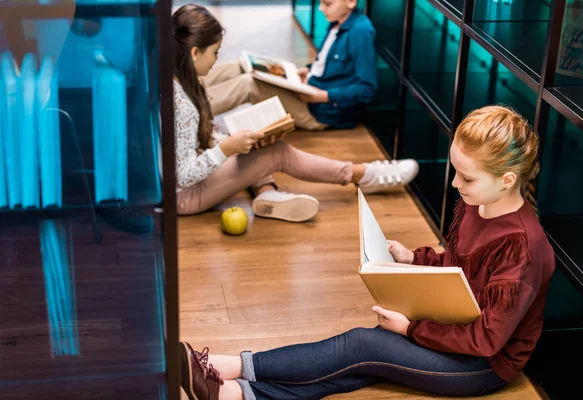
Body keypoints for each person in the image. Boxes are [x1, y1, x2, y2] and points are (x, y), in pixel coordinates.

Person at [178, 105, 556, 399]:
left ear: (507, 180)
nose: (455, 183)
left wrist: (411, 328)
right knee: (361, 359)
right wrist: (414, 258)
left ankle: (230, 367)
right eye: (456, 171)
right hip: (455, 330)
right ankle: (234, 392)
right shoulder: (480, 202)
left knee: (365, 345)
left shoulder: (523, 248)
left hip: (483, 366)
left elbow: (487, 341)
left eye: (466, 177)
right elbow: (458, 264)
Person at [173, 4, 418, 221]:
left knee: (244, 139)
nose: (217, 59)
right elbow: (183, 176)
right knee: (276, 151)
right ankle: (365, 174)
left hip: (185, 182)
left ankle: (267, 192)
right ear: (195, 53)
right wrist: (226, 148)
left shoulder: (174, 79)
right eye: (215, 52)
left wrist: (227, 143)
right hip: (186, 194)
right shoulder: (184, 105)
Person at [204, 0, 377, 131]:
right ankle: (185, 91)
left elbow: (367, 89)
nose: (321, 9)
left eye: (327, 4)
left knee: (250, 84)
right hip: (307, 90)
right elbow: (326, 64)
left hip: (320, 111)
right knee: (240, 65)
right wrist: (308, 71)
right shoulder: (337, 23)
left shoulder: (361, 32)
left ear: (351, 2)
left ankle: (189, 113)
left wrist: (323, 96)